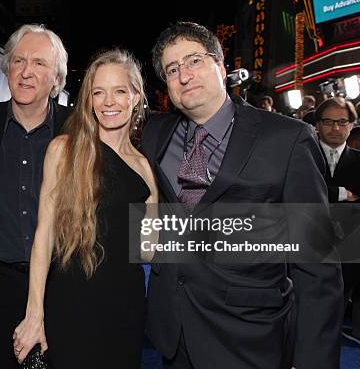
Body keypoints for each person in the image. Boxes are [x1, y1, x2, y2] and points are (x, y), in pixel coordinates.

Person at [142, 21, 343, 369]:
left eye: (194, 61)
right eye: (172, 70)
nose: (184, 75)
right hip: (174, 332)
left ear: (221, 67)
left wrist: (313, 359)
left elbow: (318, 264)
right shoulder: (156, 133)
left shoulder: (288, 139)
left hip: (250, 336)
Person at [13, 49, 158, 368]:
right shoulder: (64, 149)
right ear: (88, 100)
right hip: (72, 301)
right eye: (98, 92)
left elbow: (148, 248)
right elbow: (44, 234)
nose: (109, 102)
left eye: (119, 91)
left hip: (126, 306)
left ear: (135, 96)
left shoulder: (145, 167)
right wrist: (34, 312)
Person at [0, 24, 70, 369]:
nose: (25, 72)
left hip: (62, 284)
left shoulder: (77, 128)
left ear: (56, 78)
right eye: (19, 61)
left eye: (39, 63)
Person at [315, 97, 360, 351]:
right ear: (317, 125)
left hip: (355, 238)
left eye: (342, 122)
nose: (335, 128)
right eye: (328, 121)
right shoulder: (300, 156)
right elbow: (297, 196)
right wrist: (342, 193)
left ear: (352, 125)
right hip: (308, 234)